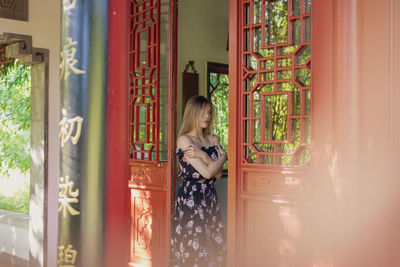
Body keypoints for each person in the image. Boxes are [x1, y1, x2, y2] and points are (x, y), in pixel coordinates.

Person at [170, 95, 228, 267]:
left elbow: (217, 176)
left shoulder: (213, 139)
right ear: (193, 114)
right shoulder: (184, 140)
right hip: (191, 198)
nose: (207, 116)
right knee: (193, 243)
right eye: (203, 112)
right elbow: (208, 172)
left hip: (209, 196)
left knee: (213, 240)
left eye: (209, 112)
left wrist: (204, 155)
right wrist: (222, 158)